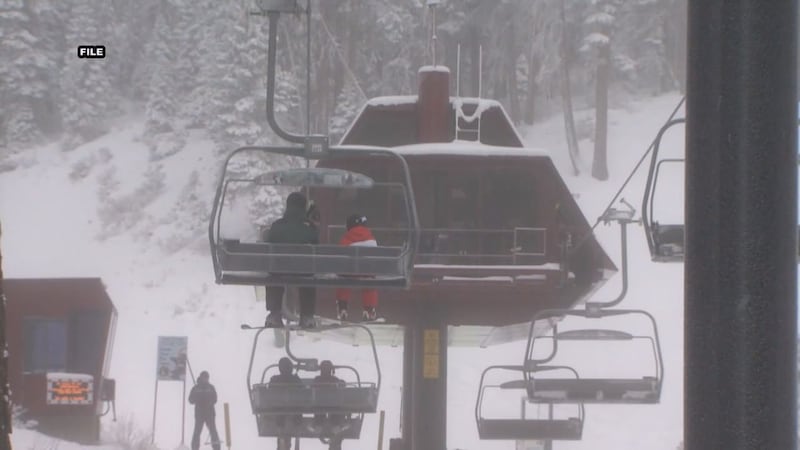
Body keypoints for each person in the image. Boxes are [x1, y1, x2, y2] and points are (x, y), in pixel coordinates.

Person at [263, 191, 319, 329]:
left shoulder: (276, 225)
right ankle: (307, 316)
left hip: (279, 270)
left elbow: (269, 242)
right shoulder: (310, 227)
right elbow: (316, 245)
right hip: (304, 271)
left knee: (273, 274)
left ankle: (274, 314)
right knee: (309, 276)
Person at [336, 214, 379, 321]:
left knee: (343, 280)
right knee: (370, 281)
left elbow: (341, 256)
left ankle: (342, 308)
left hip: (350, 272)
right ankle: (369, 310)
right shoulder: (371, 237)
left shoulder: (346, 237)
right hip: (367, 271)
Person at [269, 357, 304, 450]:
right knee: (296, 410)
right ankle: (294, 435)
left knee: (280, 412)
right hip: (295, 413)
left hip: (280, 413)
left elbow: (269, 394)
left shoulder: (275, 380)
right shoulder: (296, 380)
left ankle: (282, 440)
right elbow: (304, 394)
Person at [312, 360, 347, 450]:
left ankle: (319, 423)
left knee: (320, 406)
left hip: (320, 411)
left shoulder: (317, 380)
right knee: (335, 406)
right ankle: (336, 425)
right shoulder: (334, 380)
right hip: (333, 410)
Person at [188, 371, 221, 450]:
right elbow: (190, 400)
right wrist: (197, 399)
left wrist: (209, 401)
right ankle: (194, 448)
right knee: (197, 431)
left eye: (207, 377)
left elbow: (215, 399)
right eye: (204, 377)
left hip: (210, 413)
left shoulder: (211, 387)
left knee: (213, 431)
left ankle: (217, 448)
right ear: (201, 377)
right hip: (199, 414)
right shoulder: (196, 388)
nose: (206, 379)